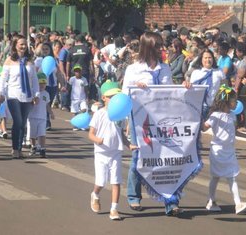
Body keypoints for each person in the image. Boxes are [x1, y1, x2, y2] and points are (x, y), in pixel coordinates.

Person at [122, 32, 182, 216]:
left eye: (161, 46)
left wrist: (185, 88)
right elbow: (125, 95)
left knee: (166, 159)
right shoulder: (133, 69)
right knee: (139, 158)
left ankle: (170, 201)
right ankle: (134, 195)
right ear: (148, 47)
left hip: (162, 120)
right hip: (141, 120)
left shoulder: (164, 68)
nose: (161, 49)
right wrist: (136, 89)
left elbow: (170, 92)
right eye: (157, 46)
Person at [88, 80, 137, 220]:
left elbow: (120, 133)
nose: (114, 100)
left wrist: (129, 144)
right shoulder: (99, 114)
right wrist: (97, 140)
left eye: (116, 96)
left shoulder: (120, 115)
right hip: (101, 153)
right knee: (101, 182)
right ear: (104, 98)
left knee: (116, 181)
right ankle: (95, 194)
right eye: (111, 97)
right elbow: (90, 133)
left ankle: (114, 209)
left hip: (116, 152)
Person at [202, 85, 246, 214]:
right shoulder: (215, 115)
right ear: (226, 101)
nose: (236, 103)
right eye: (234, 100)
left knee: (232, 177)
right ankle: (211, 201)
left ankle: (238, 204)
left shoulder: (232, 115)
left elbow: (234, 131)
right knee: (216, 177)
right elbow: (204, 128)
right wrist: (198, 117)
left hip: (229, 151)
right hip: (218, 151)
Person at [0, 35, 40, 159]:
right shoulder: (9, 60)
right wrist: (1, 93)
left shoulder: (30, 61)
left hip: (27, 96)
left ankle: (19, 149)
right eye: (20, 44)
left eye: (24, 44)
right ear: (15, 46)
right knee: (18, 121)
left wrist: (36, 94)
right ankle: (15, 148)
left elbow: (34, 79)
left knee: (22, 124)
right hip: (13, 94)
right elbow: (3, 79)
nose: (23, 46)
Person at [187, 48, 225, 120]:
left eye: (210, 57)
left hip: (215, 106)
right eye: (205, 58)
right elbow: (192, 89)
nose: (208, 60)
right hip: (200, 106)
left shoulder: (219, 71)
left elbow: (225, 87)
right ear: (201, 59)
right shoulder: (196, 72)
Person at [28, 73, 54, 158]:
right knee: (32, 134)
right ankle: (33, 147)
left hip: (42, 118)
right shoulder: (33, 92)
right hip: (33, 117)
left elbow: (47, 105)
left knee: (42, 134)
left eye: (44, 83)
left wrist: (51, 113)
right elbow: (29, 103)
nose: (42, 85)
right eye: (40, 83)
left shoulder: (46, 94)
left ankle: (42, 149)